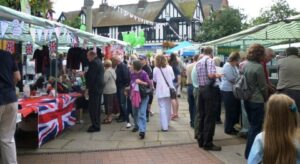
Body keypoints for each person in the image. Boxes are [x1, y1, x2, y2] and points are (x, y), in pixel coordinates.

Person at [248, 94, 300, 164]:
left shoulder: (261, 138)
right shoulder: (298, 137)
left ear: (269, 116)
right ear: (293, 114)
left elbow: (252, 161)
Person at [195, 47, 223, 151]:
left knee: (202, 115)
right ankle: (208, 143)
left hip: (201, 89)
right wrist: (218, 74)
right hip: (210, 90)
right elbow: (211, 75)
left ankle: (201, 140)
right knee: (210, 116)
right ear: (211, 52)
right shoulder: (209, 60)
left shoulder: (199, 62)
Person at [243, 44, 268, 158]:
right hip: (257, 100)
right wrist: (266, 98)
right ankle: (251, 154)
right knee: (256, 128)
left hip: (247, 99)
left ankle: (248, 152)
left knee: (252, 126)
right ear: (260, 54)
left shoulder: (246, 65)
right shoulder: (258, 67)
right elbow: (263, 87)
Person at [0, 50, 21, 164]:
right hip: (11, 99)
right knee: (7, 139)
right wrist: (10, 87)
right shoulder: (7, 55)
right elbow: (17, 77)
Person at [220, 52, 241, 135]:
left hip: (233, 90)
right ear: (234, 59)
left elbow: (238, 75)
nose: (238, 62)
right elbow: (232, 79)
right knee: (229, 111)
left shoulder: (234, 66)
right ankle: (228, 129)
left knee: (234, 111)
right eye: (237, 60)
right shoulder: (227, 66)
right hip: (227, 90)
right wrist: (239, 80)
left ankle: (233, 127)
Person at [153, 55, 175, 132]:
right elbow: (173, 77)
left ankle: (164, 126)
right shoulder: (169, 68)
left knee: (162, 107)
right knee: (168, 106)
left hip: (160, 90)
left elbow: (154, 80)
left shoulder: (155, 69)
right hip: (169, 89)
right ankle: (168, 122)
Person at [129, 60, 151, 139]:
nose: (130, 66)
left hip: (143, 96)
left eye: (131, 65)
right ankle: (136, 125)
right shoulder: (131, 74)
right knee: (135, 112)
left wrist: (140, 82)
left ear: (135, 66)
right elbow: (131, 84)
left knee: (142, 113)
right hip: (134, 96)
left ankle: (142, 131)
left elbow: (149, 84)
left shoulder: (143, 73)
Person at [85, 50, 105, 133]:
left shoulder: (93, 63)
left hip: (94, 88)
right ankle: (97, 124)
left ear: (91, 56)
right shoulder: (99, 61)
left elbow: (91, 78)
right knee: (96, 107)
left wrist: (87, 88)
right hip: (99, 88)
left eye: (88, 56)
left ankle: (95, 125)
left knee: (93, 108)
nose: (87, 58)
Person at [112, 56, 131, 128]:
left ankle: (125, 117)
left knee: (122, 103)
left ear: (116, 61)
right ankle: (122, 115)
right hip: (119, 86)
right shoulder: (119, 66)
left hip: (122, 86)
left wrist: (126, 86)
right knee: (120, 102)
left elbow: (126, 77)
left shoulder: (122, 66)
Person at [191, 54, 204, 139]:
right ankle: (198, 133)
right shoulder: (199, 67)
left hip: (196, 89)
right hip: (198, 90)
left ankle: (198, 132)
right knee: (199, 113)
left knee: (198, 112)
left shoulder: (196, 66)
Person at [139, 55, 154, 122]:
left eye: (141, 59)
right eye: (140, 59)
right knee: (144, 103)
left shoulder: (147, 68)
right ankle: (144, 115)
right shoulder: (141, 67)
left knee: (147, 103)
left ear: (145, 60)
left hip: (146, 88)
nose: (140, 61)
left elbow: (148, 79)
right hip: (142, 88)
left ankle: (146, 116)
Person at [186, 54, 199, 128]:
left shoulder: (188, 66)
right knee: (196, 106)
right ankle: (195, 122)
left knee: (191, 105)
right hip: (196, 86)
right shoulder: (198, 66)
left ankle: (192, 121)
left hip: (189, 86)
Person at [102, 60, 117, 124]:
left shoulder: (107, 71)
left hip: (108, 89)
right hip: (113, 88)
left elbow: (104, 81)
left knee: (108, 104)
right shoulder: (113, 70)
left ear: (105, 65)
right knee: (110, 103)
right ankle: (108, 116)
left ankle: (109, 117)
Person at [168, 53, 180, 120]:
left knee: (173, 98)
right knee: (175, 98)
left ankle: (174, 113)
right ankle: (176, 113)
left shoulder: (173, 65)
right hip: (175, 82)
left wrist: (178, 82)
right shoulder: (175, 63)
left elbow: (178, 74)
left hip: (173, 82)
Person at [213, 56, 223, 124]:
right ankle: (217, 118)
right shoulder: (221, 69)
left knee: (213, 103)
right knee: (218, 104)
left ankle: (213, 118)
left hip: (212, 87)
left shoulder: (211, 68)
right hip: (219, 88)